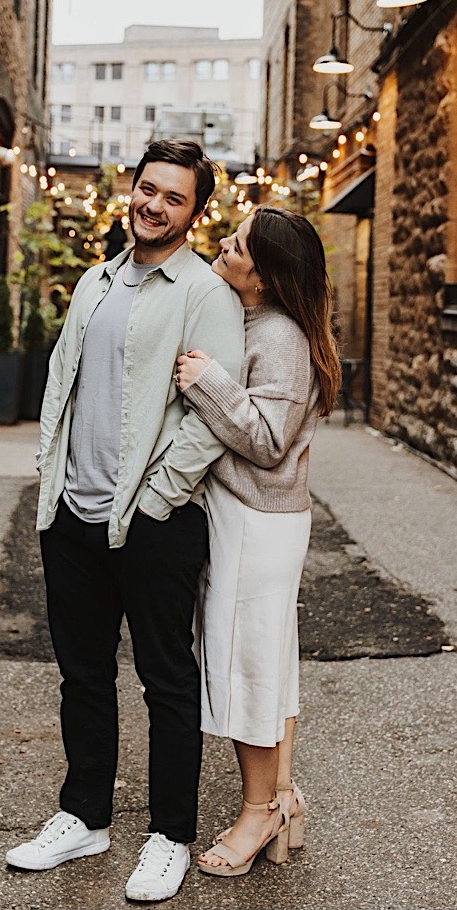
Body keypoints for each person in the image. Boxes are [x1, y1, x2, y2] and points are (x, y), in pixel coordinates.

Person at [6, 139, 245, 904]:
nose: (154, 205)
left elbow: (212, 412)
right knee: (83, 674)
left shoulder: (205, 292)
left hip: (154, 519)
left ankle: (170, 834)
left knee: (166, 679)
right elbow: (63, 383)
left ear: (195, 212)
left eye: (174, 197)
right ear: (130, 189)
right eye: (148, 189)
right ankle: (85, 815)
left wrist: (155, 497)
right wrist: (51, 476)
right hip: (73, 511)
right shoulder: (96, 281)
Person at [174, 207, 339, 878]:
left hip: (255, 521)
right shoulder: (267, 324)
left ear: (266, 275)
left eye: (238, 244)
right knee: (271, 660)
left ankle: (257, 810)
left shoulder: (280, 336)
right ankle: (283, 799)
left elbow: (268, 440)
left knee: (247, 666)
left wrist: (204, 378)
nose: (224, 245)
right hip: (259, 520)